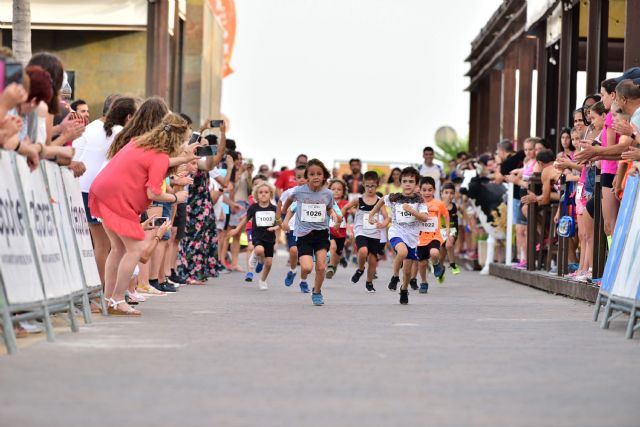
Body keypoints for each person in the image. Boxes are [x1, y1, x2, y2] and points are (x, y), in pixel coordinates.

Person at [88, 113, 196, 315]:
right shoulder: (159, 157)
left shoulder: (140, 143)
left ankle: (109, 299)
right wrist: (176, 198)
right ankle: (118, 299)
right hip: (118, 200)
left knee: (118, 249)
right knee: (135, 249)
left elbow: (159, 161)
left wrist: (184, 157)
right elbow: (153, 192)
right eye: (183, 141)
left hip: (103, 192)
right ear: (175, 140)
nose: (184, 145)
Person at [75, 96, 137, 285]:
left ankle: (100, 289)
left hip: (81, 187)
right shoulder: (120, 132)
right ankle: (102, 289)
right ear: (128, 116)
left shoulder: (92, 126)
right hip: (99, 191)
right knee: (105, 245)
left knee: (99, 244)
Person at [280, 159, 338, 306]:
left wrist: (333, 214)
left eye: (319, 173)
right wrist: (285, 219)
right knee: (306, 267)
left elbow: (330, 207)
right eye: (312, 174)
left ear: (324, 176)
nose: (316, 177)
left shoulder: (328, 193)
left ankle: (317, 291)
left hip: (321, 233)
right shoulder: (299, 191)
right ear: (307, 177)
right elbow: (289, 202)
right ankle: (300, 276)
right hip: (304, 234)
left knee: (320, 266)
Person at [369, 167, 428, 305]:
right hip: (396, 231)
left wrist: (412, 211)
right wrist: (372, 214)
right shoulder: (395, 197)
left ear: (416, 185)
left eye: (411, 181)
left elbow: (425, 218)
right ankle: (395, 276)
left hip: (412, 237)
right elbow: (382, 200)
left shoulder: (420, 201)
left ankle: (404, 289)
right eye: (405, 181)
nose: (408, 184)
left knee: (407, 271)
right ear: (400, 182)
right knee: (402, 252)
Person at [341, 171, 389, 292]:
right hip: (361, 231)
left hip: (375, 233)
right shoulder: (359, 200)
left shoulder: (380, 201)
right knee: (363, 251)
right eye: (367, 185)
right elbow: (345, 208)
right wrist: (338, 220)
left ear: (377, 185)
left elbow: (387, 216)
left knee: (373, 261)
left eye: (372, 185)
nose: (370, 188)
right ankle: (360, 269)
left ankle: (369, 282)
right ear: (363, 185)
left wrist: (383, 223)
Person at [230, 182, 279, 290]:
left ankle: (263, 280)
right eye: (260, 192)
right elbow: (245, 220)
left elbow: (280, 223)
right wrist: (237, 229)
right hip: (257, 236)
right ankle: (255, 257)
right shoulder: (253, 208)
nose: (263, 194)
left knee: (269, 263)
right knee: (259, 250)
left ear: (270, 194)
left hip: (270, 238)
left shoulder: (274, 209)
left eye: (266, 192)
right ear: (256, 195)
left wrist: (275, 228)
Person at [414, 176, 449, 293]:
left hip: (435, 235)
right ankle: (424, 282)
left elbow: (446, 215)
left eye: (430, 190)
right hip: (420, 238)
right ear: (420, 190)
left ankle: (436, 264)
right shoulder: (416, 204)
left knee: (434, 252)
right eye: (424, 190)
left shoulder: (439, 204)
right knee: (422, 263)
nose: (427, 192)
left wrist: (447, 228)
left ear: (434, 190)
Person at [277, 164, 307, 287]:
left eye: (305, 177)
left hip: (308, 228)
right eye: (298, 177)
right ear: (295, 178)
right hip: (292, 226)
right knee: (294, 250)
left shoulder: (314, 194)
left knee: (306, 257)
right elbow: (280, 203)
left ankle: (303, 281)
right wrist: (279, 220)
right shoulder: (289, 192)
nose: (302, 179)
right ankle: (293, 270)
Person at [326, 179, 349, 279]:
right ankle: (330, 265)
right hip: (329, 230)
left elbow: (353, 209)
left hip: (341, 233)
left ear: (343, 192)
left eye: (339, 189)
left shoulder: (345, 203)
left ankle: (333, 266)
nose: (336, 191)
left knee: (337, 256)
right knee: (333, 246)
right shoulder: (327, 202)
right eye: (333, 189)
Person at [439, 182, 460, 275]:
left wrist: (472, 225)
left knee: (449, 245)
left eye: (451, 193)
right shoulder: (438, 206)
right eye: (446, 192)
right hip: (441, 231)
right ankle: (441, 267)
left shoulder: (456, 206)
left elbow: (466, 215)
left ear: (454, 195)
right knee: (442, 254)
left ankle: (452, 264)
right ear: (441, 194)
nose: (449, 195)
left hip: (453, 230)